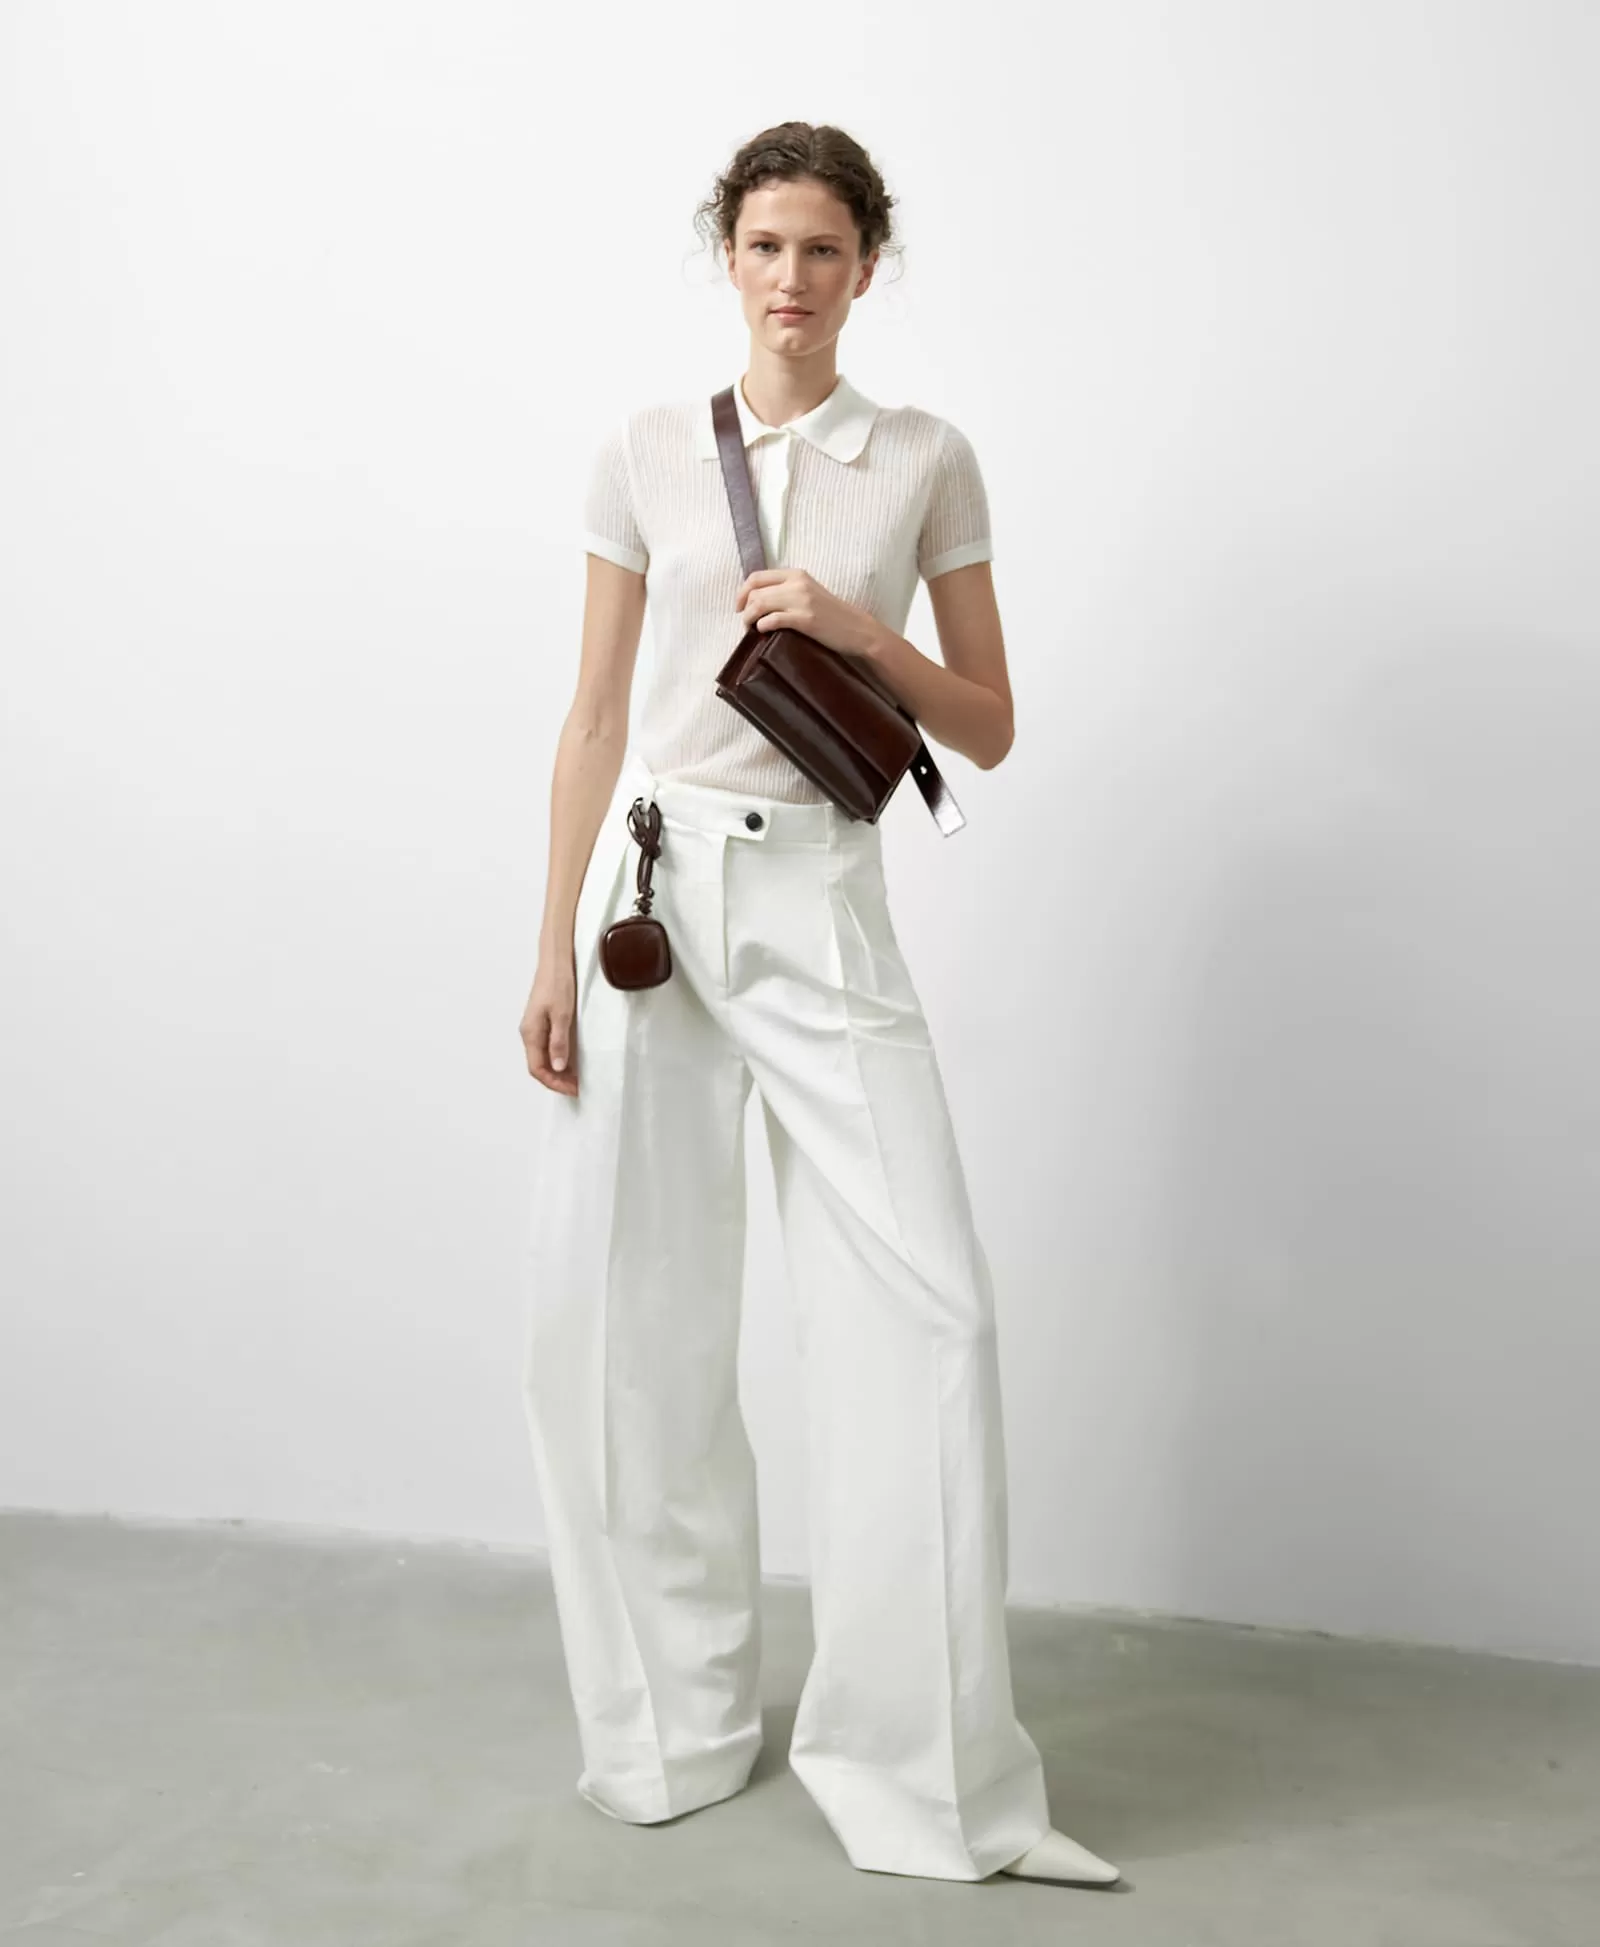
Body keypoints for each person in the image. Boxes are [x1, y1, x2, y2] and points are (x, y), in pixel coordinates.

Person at [517, 121, 1121, 1893]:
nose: (793, 280)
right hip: (649, 898)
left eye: (826, 251)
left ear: (870, 267)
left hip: (821, 902)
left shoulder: (923, 456)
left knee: (930, 1319)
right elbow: (591, 717)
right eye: (766, 246)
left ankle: (925, 1775)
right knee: (625, 1327)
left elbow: (986, 723)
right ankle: (666, 1731)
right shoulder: (644, 447)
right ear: (730, 254)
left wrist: (863, 634)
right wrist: (547, 942)